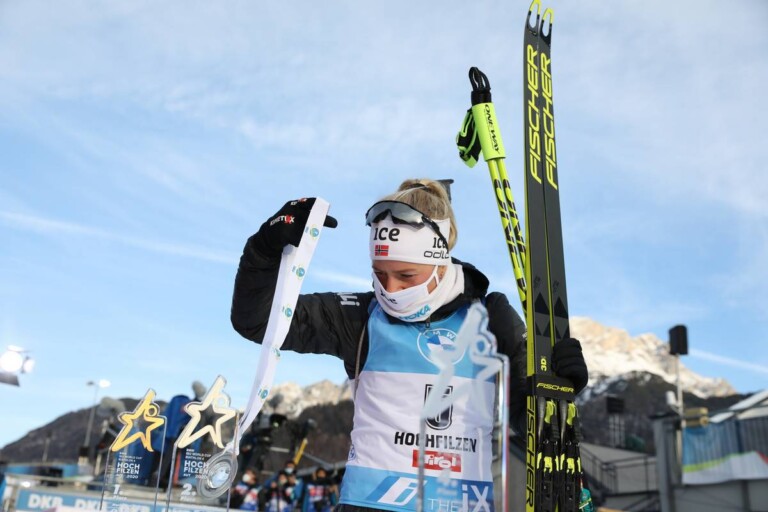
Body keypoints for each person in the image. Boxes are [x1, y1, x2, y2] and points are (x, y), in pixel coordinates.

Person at [231, 179, 589, 511]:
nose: (391, 289)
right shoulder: (358, 315)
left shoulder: (489, 317)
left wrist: (558, 386)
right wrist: (263, 250)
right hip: (369, 504)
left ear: (440, 261)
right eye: (380, 273)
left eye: (406, 276)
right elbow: (258, 322)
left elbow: (531, 424)